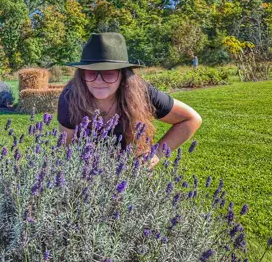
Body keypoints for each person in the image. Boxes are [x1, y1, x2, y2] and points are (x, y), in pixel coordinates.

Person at [57, 33, 202, 167]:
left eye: (109, 73)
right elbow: (69, 146)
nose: (99, 80)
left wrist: (155, 154)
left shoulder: (142, 92)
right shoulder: (70, 98)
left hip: (132, 170)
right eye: (91, 73)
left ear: (123, 74)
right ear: (82, 75)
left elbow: (191, 119)